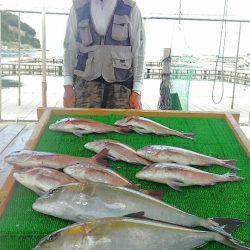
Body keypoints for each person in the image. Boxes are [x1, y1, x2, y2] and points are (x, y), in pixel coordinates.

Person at [63, 0, 146, 109]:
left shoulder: (131, 8)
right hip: (84, 88)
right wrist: (68, 88)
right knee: (83, 125)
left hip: (121, 89)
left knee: (121, 125)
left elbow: (139, 52)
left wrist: (137, 91)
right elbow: (70, 49)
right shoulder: (77, 7)